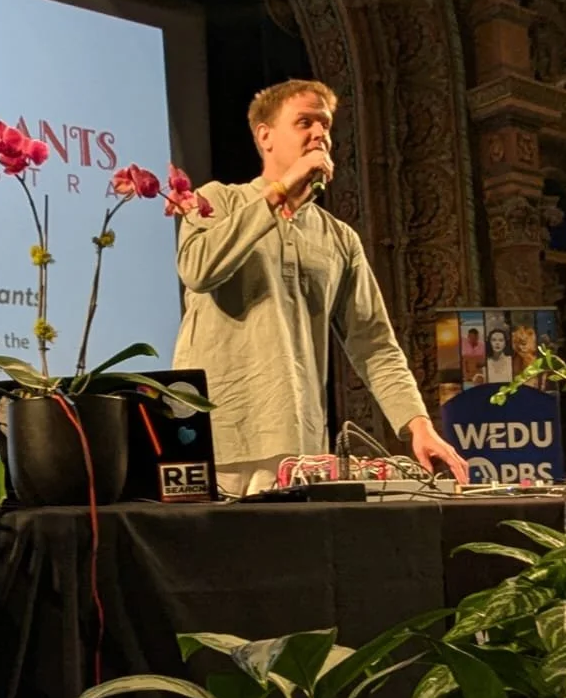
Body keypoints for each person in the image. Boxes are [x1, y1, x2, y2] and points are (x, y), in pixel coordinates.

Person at [172, 79, 470, 496]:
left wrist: (418, 426)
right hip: (215, 442)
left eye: (325, 125)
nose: (319, 134)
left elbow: (375, 344)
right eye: (304, 122)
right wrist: (279, 192)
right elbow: (199, 269)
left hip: (297, 447)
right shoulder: (217, 201)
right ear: (265, 136)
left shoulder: (339, 238)